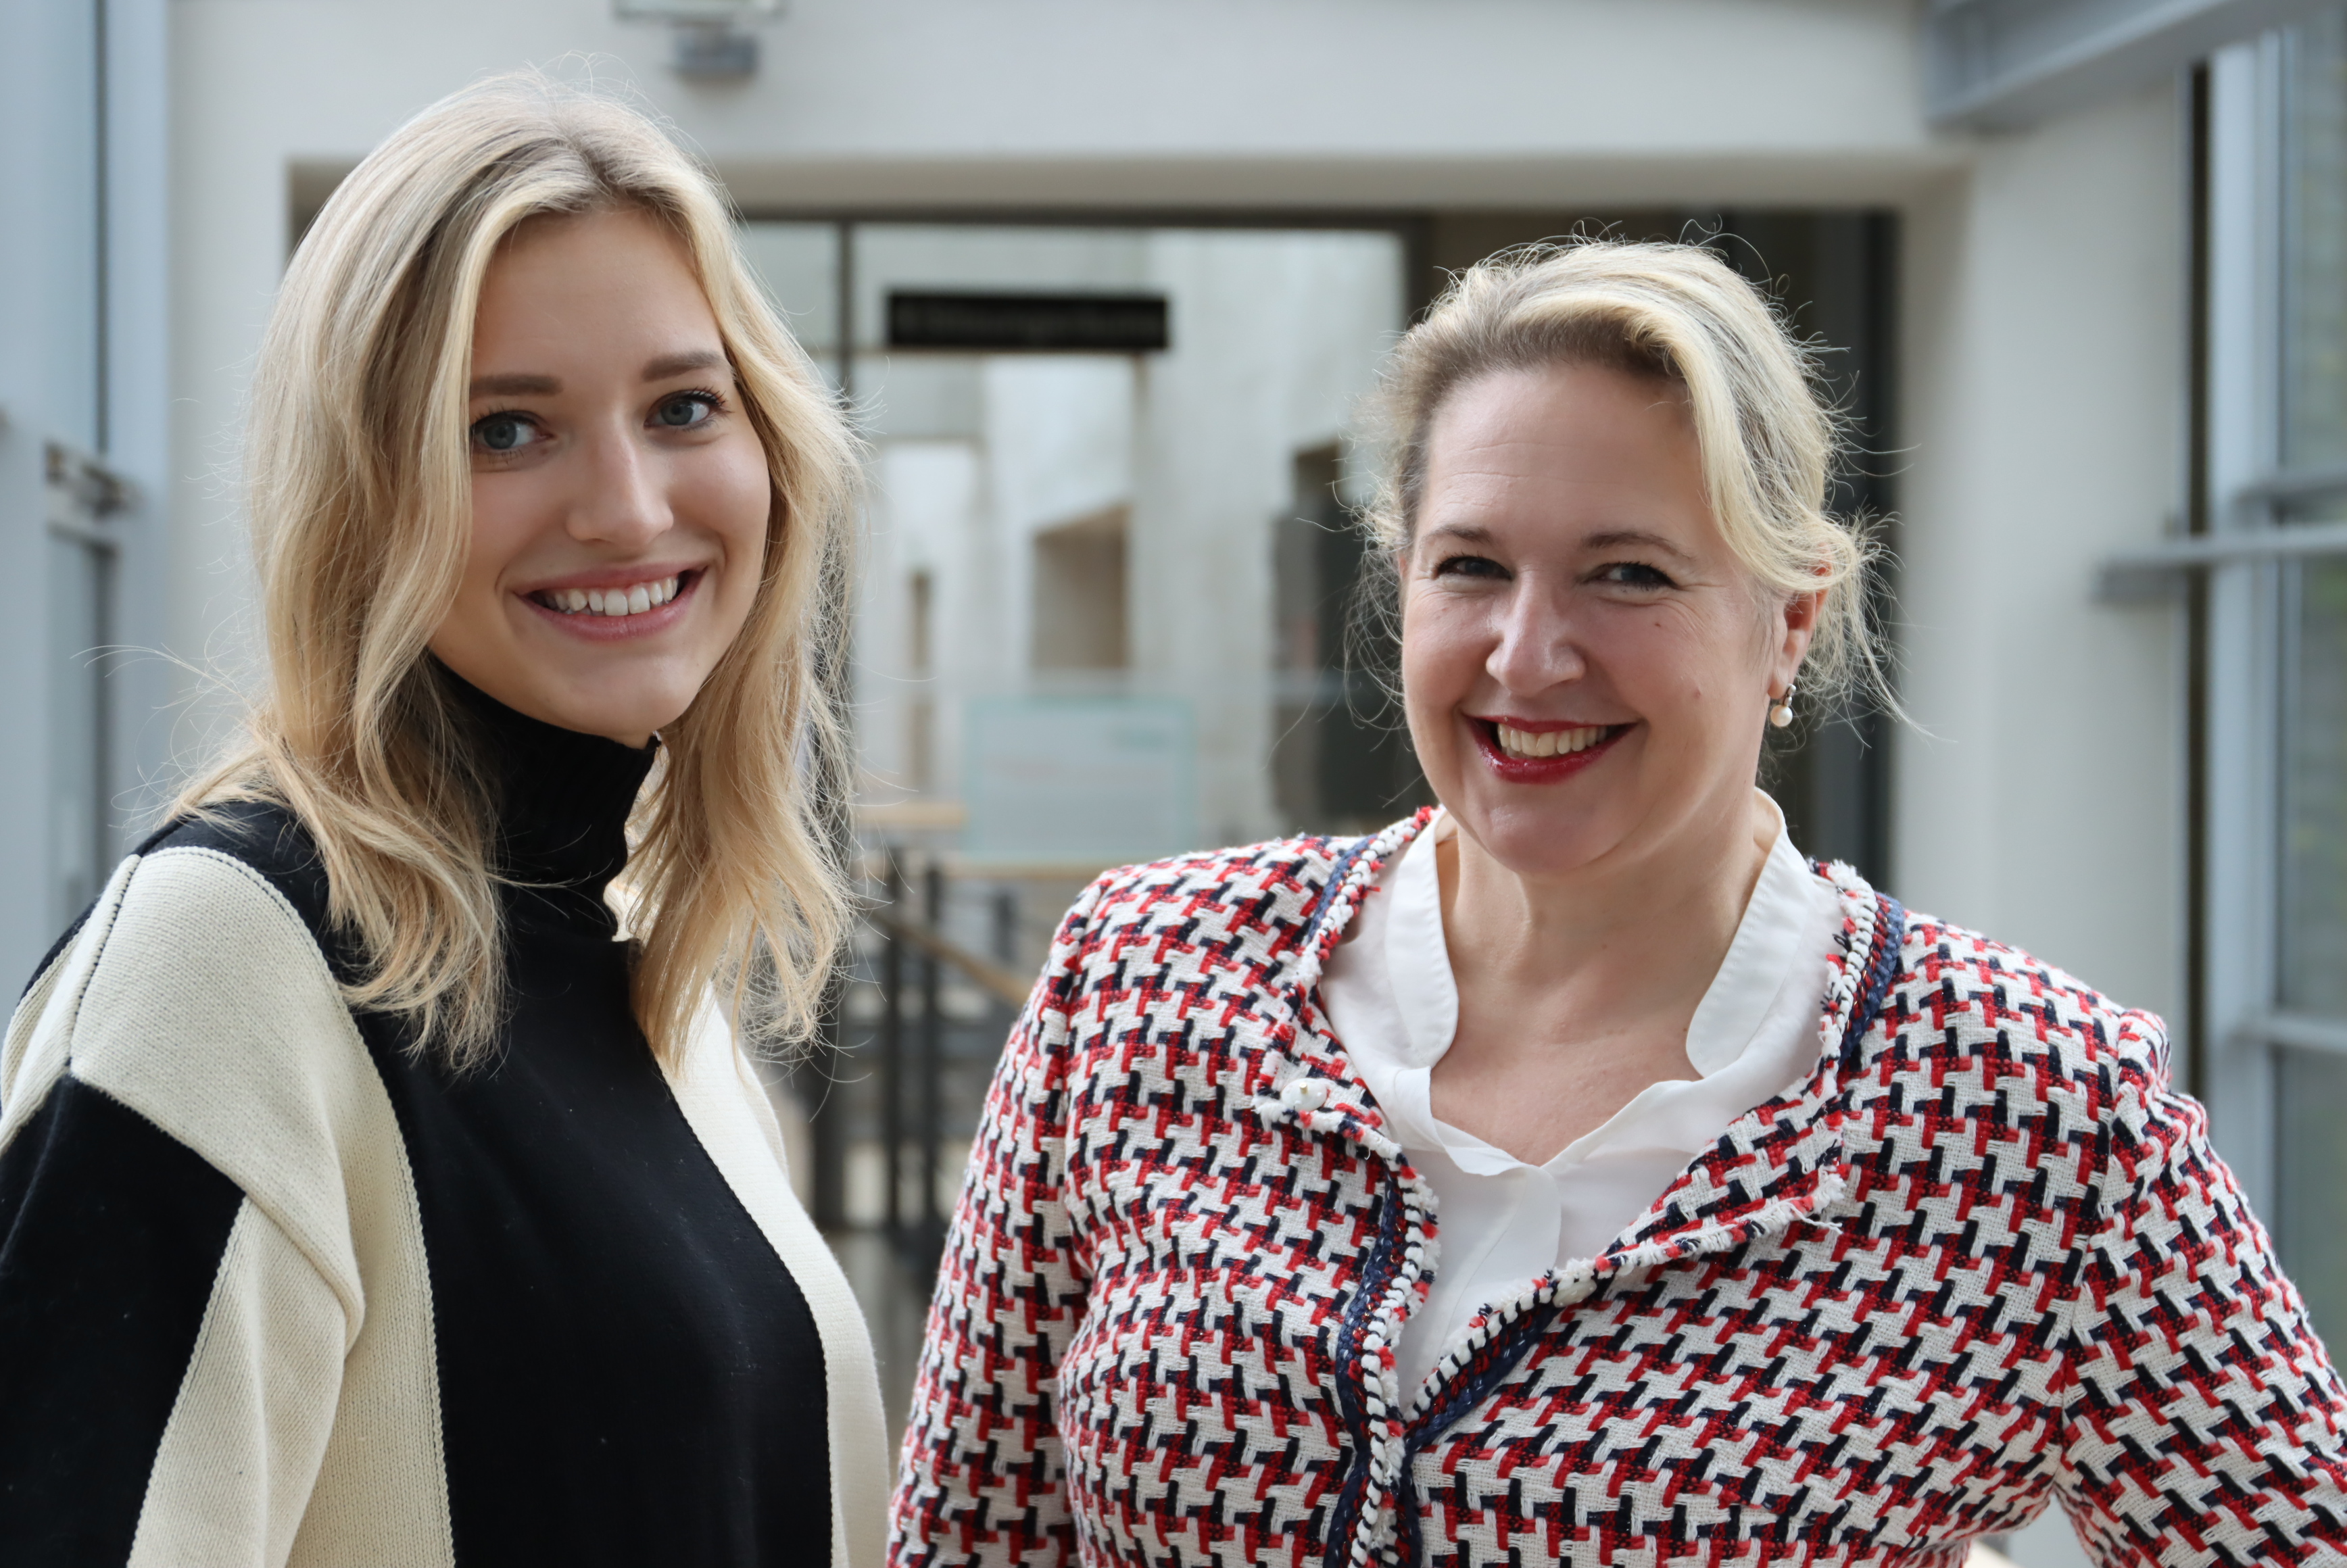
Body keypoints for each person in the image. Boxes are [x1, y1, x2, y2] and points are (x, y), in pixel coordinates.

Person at [891, 242, 2347, 1565]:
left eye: (1626, 574)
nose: (1527, 656)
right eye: (1470, 567)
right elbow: (967, 1535)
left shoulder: (2031, 1104)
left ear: (1789, 623)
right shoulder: (1143, 976)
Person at [0, 74, 887, 1566]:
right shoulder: (232, 960)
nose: (624, 506)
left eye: (683, 405)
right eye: (502, 430)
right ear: (363, 490)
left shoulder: (640, 966)